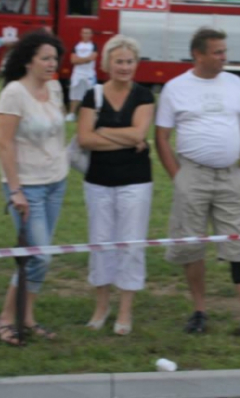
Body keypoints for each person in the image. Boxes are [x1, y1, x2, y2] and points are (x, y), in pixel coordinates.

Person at [155, 27, 240, 343]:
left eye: (224, 50)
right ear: (198, 54)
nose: (224, 57)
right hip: (191, 175)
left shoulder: (235, 84)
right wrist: (178, 177)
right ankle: (199, 311)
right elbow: (162, 137)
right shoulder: (175, 87)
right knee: (191, 244)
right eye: (218, 52)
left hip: (229, 177)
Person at [0, 31, 68, 346]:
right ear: (29, 61)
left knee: (40, 254)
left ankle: (27, 317)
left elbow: (57, 132)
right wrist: (15, 191)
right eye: (46, 58)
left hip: (55, 182)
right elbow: (3, 143)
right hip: (27, 187)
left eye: (55, 58)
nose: (52, 64)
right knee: (40, 256)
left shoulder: (54, 88)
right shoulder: (13, 93)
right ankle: (5, 319)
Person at [77, 35, 154, 336]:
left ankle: (125, 310)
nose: (124, 67)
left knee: (131, 244)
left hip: (135, 182)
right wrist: (127, 136)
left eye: (129, 61)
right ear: (107, 63)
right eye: (119, 61)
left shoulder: (144, 96)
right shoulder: (91, 96)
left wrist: (105, 130)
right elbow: (84, 139)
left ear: (136, 64)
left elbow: (139, 134)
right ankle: (101, 306)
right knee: (100, 243)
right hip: (98, 182)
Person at [66, 28, 98, 122]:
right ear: (81, 34)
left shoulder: (94, 45)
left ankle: (92, 115)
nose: (86, 34)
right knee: (75, 93)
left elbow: (92, 57)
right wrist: (85, 60)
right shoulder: (77, 45)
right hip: (77, 74)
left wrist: (79, 60)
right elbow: (72, 60)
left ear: (91, 34)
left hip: (89, 74)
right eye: (84, 33)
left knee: (92, 94)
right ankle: (71, 114)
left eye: (88, 33)